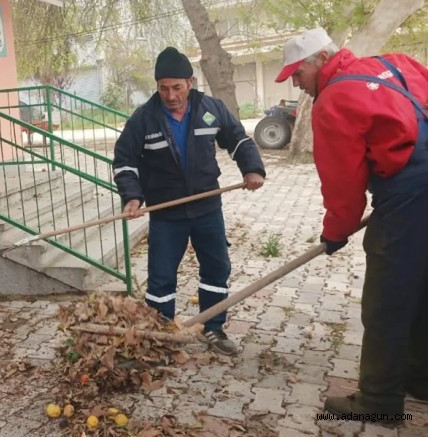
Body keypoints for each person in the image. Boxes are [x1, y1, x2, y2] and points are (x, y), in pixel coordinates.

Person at [274, 27, 428, 425]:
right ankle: (421, 379)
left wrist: (335, 232)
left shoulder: (335, 101)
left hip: (408, 194)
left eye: (297, 73)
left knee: (387, 299)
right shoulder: (396, 63)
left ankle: (379, 399)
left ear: (321, 60)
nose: (296, 82)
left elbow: (344, 183)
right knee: (423, 287)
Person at [112, 47, 266, 356]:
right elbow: (124, 161)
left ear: (190, 83)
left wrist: (251, 169)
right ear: (157, 87)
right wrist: (131, 196)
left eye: (177, 87)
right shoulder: (144, 118)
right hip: (166, 213)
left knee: (216, 268)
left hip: (207, 208)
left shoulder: (211, 109)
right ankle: (161, 333)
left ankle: (213, 327)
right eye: (163, 88)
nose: (170, 95)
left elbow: (238, 139)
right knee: (161, 276)